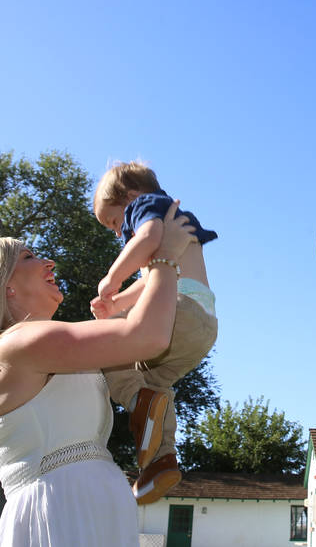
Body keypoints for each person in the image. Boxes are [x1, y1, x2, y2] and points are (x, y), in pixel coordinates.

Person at [0, 202, 196, 546]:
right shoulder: (19, 343)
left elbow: (138, 337)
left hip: (81, 503)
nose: (49, 262)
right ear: (5, 287)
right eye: (30, 257)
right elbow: (149, 337)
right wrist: (165, 257)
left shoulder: (26, 348)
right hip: (60, 510)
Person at [90, 161, 219, 505]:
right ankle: (161, 461)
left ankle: (136, 402)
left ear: (130, 197)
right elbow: (150, 280)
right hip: (199, 327)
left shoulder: (147, 208)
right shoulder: (169, 219)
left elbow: (146, 238)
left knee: (101, 349)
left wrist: (112, 277)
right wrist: (116, 303)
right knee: (156, 387)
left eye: (115, 222)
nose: (119, 233)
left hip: (178, 312)